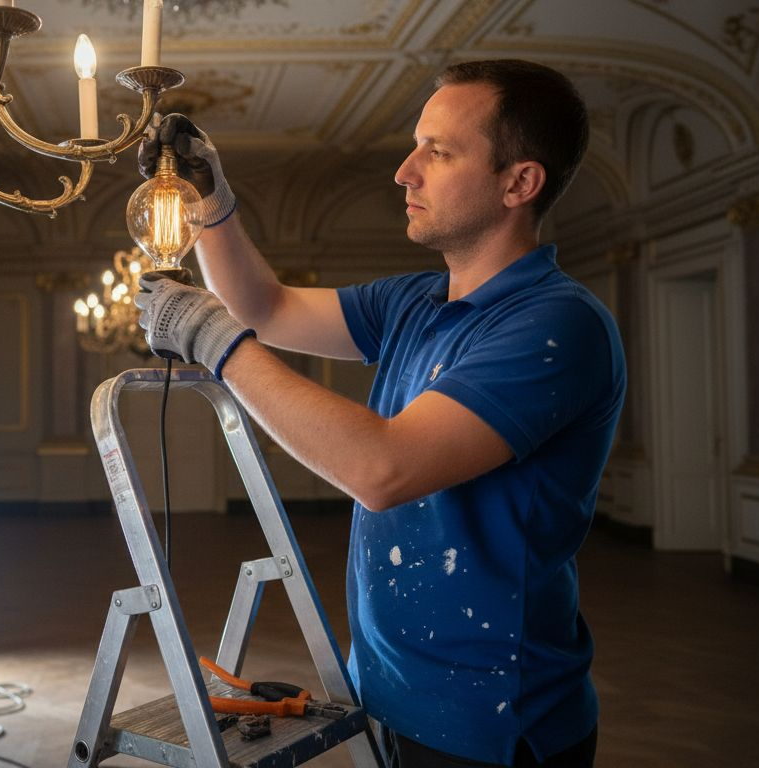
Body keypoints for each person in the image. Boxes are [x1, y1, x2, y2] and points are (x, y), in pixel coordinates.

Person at [134, 60, 625, 768]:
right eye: (416, 144)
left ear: (519, 183)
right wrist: (212, 202)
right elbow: (265, 308)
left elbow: (383, 468)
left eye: (440, 151)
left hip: (494, 720)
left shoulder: (556, 323)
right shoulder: (414, 302)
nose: (405, 171)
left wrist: (213, 342)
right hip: (387, 691)